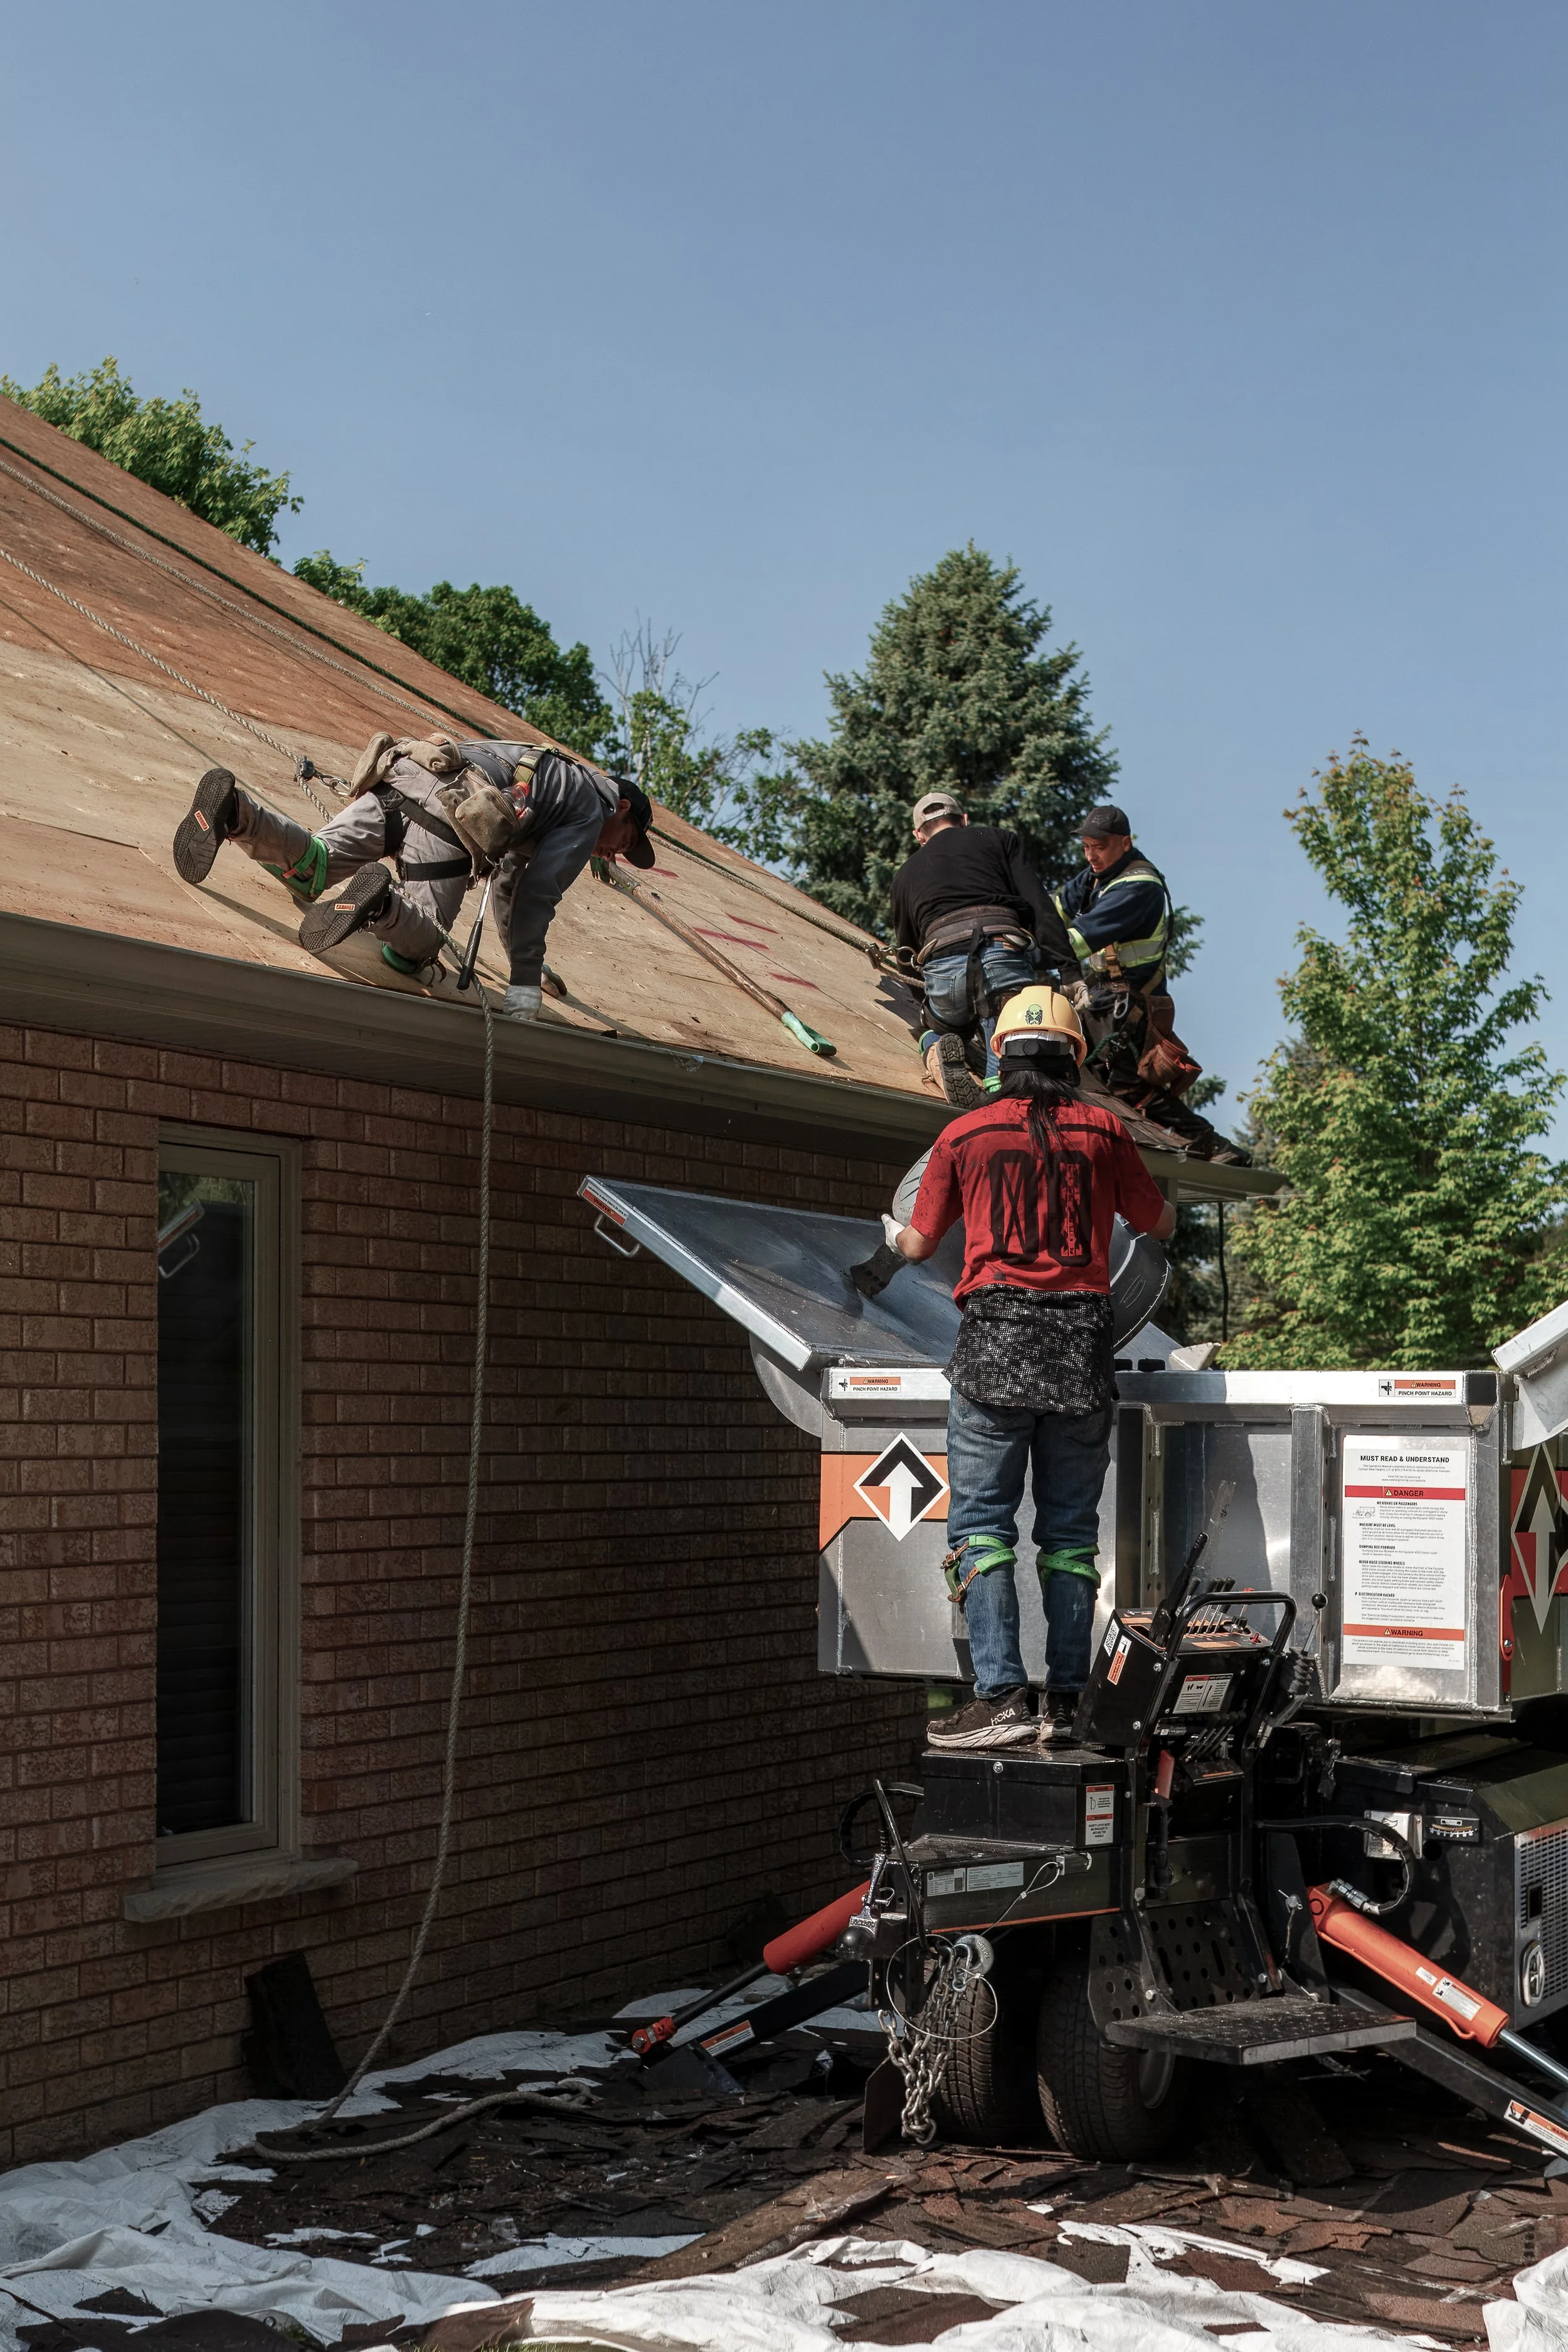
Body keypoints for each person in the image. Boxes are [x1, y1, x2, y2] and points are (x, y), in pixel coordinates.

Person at [879, 985, 1176, 1751]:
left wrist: (883, 1244)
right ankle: (1069, 1703)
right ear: (1074, 1056)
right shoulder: (1106, 1133)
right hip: (1079, 1352)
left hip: (993, 1350)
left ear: (997, 1056)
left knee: (980, 1529)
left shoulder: (965, 1135)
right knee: (1070, 1537)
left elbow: (915, 1246)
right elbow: (1157, 1225)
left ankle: (1002, 1697)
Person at [172, 735, 654, 1020]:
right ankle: (383, 905)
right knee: (420, 946)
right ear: (623, 807)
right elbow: (535, 895)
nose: (615, 854)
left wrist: (528, 967)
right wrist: (524, 986)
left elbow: (510, 886)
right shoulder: (592, 809)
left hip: (404, 776)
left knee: (311, 867)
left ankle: (236, 814)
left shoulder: (547, 768)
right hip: (449, 819)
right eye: (626, 842)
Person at [1053, 803, 1248, 1163]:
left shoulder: (1138, 887)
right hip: (1104, 998)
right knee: (1088, 1076)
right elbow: (1054, 911)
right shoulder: (1096, 877)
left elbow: (1079, 939)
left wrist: (1027, 953)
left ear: (1125, 843)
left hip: (1130, 1005)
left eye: (1100, 847)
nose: (1091, 855)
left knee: (1127, 1085)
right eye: (1086, 847)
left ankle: (1211, 1144)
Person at [889, 792, 1084, 1111]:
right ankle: (999, 1086)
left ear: (919, 836)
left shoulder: (904, 875)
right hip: (1002, 955)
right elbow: (1040, 907)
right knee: (1011, 1042)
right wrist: (1070, 971)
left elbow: (906, 953)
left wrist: (921, 1000)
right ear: (964, 820)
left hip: (943, 969)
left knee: (934, 1025)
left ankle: (937, 1046)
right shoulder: (999, 840)